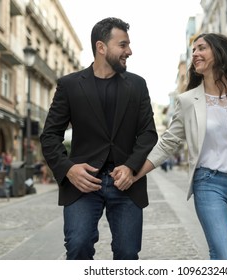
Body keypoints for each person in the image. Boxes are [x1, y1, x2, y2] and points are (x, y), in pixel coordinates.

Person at [114, 33, 227, 260]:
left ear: (218, 52)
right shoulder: (188, 101)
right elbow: (169, 142)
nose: (196, 54)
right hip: (210, 185)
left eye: (202, 48)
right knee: (223, 254)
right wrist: (134, 171)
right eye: (193, 51)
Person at [40, 17, 158, 260]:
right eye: (123, 45)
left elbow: (148, 133)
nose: (129, 51)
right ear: (101, 47)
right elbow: (50, 135)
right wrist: (68, 169)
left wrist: (131, 166)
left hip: (126, 183)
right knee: (78, 247)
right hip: (82, 184)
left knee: (127, 254)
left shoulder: (137, 85)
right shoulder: (70, 85)